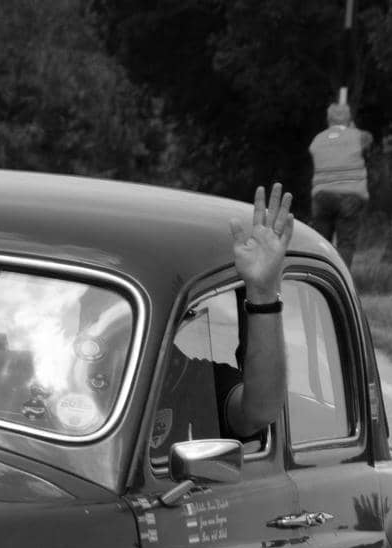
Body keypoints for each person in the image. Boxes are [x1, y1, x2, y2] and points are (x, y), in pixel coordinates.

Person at [151, 182, 293, 458]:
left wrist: (263, 294)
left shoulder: (189, 379)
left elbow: (259, 411)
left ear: (175, 320)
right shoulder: (56, 375)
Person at [308, 102, 373, 265]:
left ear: (328, 119)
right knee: (345, 243)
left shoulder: (318, 139)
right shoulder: (358, 136)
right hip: (350, 197)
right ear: (349, 118)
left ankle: (320, 282)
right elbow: (368, 141)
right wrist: (353, 128)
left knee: (322, 245)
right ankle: (341, 283)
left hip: (322, 197)